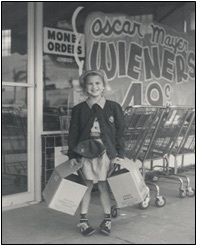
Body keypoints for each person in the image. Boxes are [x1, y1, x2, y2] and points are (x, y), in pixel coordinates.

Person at [67, 70, 125, 236]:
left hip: (106, 152)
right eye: (90, 84)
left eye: (98, 83)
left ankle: (107, 219)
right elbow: (73, 133)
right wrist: (72, 155)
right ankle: (83, 220)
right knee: (86, 186)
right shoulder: (79, 109)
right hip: (85, 152)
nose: (94, 87)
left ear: (104, 85)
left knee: (104, 185)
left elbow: (121, 132)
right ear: (85, 87)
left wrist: (119, 154)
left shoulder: (113, 107)